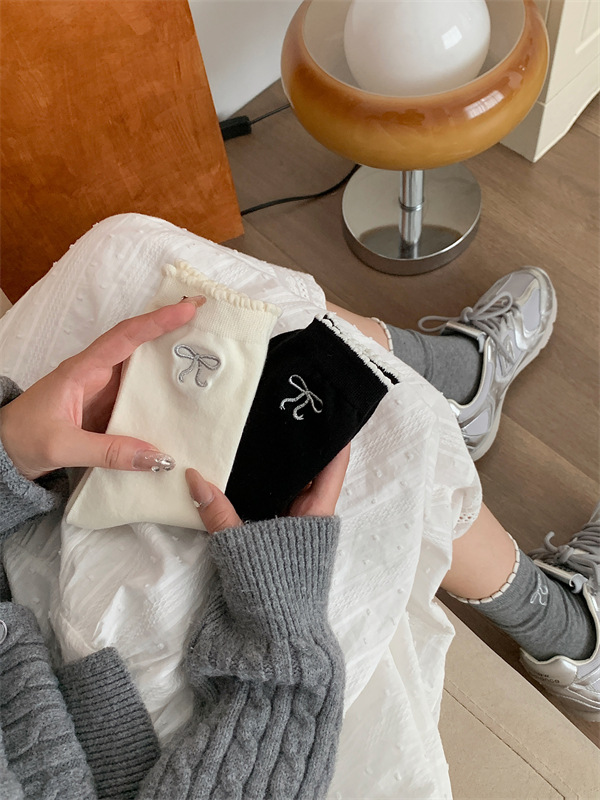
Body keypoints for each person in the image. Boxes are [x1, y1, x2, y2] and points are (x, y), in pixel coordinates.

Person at [0, 220, 597, 798]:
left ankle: (459, 381)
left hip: (27, 633)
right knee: (398, 432)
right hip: (161, 745)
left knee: (127, 248)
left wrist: (8, 457)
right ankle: (569, 636)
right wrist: (280, 623)